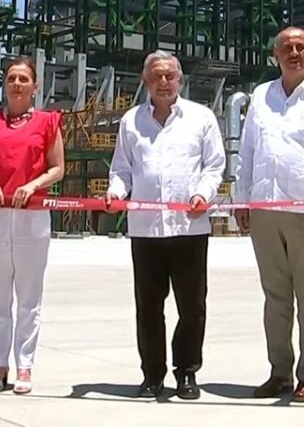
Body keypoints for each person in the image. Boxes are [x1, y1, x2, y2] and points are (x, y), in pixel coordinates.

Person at [233, 26, 304, 402]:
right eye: (287, 48)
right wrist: (242, 199)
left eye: (301, 47)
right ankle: (279, 371)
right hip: (265, 207)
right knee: (275, 296)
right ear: (275, 55)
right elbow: (248, 151)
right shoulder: (261, 96)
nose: (294, 53)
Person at [105, 51, 226, 400]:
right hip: (145, 231)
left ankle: (187, 372)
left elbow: (214, 165)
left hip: (189, 228)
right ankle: (152, 376)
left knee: (192, 307)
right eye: (156, 76)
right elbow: (121, 169)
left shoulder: (201, 118)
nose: (163, 82)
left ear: (180, 80)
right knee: (148, 307)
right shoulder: (131, 121)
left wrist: (204, 193)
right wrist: (116, 193)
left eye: (170, 76)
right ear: (146, 80)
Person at [0, 58, 65, 394]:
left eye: (24, 79)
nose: (17, 84)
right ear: (4, 85)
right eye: (12, 79)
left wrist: (33, 185)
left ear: (35, 86)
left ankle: (25, 365)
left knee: (28, 297)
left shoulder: (48, 123)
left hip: (31, 215)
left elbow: (58, 168)